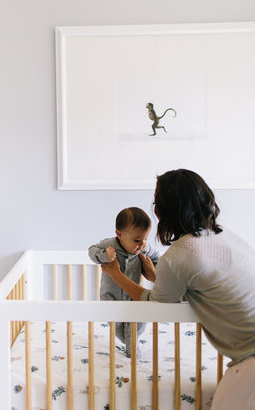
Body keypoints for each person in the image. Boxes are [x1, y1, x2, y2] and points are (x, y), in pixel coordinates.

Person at [101, 169, 255, 410]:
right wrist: (155, 275)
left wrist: (115, 275)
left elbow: (156, 304)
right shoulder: (225, 235)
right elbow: (200, 286)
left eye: (156, 202)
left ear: (163, 211)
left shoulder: (181, 254)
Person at [88, 207, 160, 357]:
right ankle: (127, 340)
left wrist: (154, 268)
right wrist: (104, 255)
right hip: (111, 297)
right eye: (137, 240)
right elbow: (92, 251)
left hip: (134, 296)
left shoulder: (144, 249)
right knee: (117, 327)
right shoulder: (110, 245)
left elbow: (156, 256)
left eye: (146, 239)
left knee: (140, 320)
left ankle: (132, 343)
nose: (142, 244)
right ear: (119, 234)